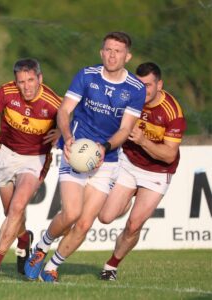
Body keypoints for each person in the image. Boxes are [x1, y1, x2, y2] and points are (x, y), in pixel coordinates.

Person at [24, 31, 146, 282]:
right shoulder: (87, 75)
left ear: (128, 56)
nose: (112, 55)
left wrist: (104, 147)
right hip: (76, 151)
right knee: (71, 214)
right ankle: (41, 248)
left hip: (107, 160)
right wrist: (67, 137)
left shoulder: (135, 88)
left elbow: (125, 129)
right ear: (101, 52)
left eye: (118, 51)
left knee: (84, 224)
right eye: (108, 50)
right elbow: (64, 111)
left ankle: (52, 267)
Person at [0, 58, 62, 281]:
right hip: (6, 155)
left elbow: (73, 123)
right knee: (10, 213)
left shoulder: (53, 102)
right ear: (16, 81)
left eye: (31, 80)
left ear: (40, 79)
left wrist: (61, 132)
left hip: (35, 159)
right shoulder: (6, 92)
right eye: (21, 81)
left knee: (17, 207)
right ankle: (23, 240)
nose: (26, 86)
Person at [98, 62, 187, 281]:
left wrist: (143, 140)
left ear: (159, 85)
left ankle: (111, 266)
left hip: (157, 172)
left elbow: (168, 155)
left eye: (148, 85)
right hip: (128, 163)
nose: (143, 90)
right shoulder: (129, 98)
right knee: (105, 217)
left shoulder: (172, 112)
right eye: (140, 84)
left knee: (133, 225)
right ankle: (126, 199)